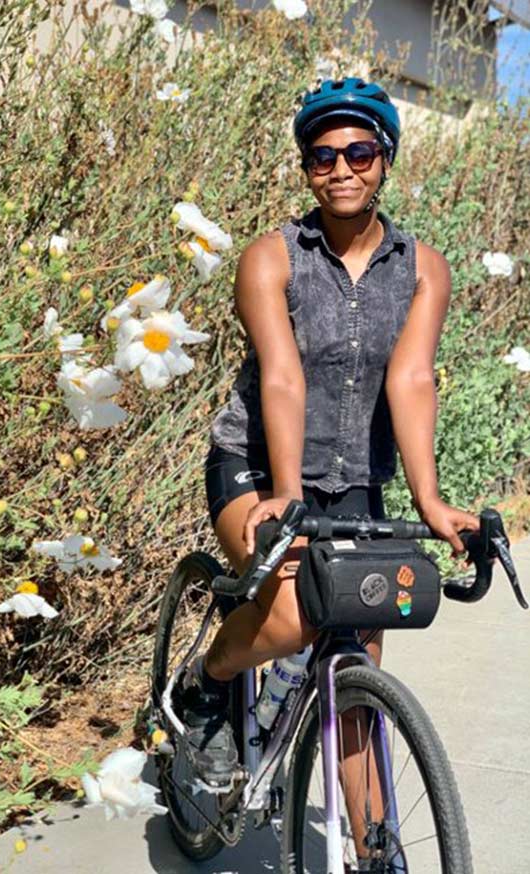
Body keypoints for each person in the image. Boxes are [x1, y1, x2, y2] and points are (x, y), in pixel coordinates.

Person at [175, 78, 480, 793]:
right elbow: (281, 378)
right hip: (253, 464)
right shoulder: (271, 257)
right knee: (290, 619)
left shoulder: (423, 269)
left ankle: (376, 852)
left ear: (386, 159)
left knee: (358, 676)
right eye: (323, 157)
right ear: (307, 168)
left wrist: (430, 502)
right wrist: (285, 491)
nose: (341, 168)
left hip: (353, 480)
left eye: (360, 151)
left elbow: (411, 382)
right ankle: (207, 685)